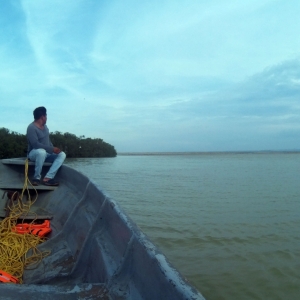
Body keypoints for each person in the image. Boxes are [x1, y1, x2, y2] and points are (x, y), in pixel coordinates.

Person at [26, 106, 66, 186]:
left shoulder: (46, 127)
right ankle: (36, 178)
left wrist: (54, 149)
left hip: (46, 153)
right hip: (34, 153)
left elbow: (47, 141)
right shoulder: (31, 128)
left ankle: (48, 178)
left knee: (62, 154)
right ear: (42, 117)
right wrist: (51, 149)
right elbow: (35, 144)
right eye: (46, 116)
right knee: (41, 152)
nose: (46, 118)